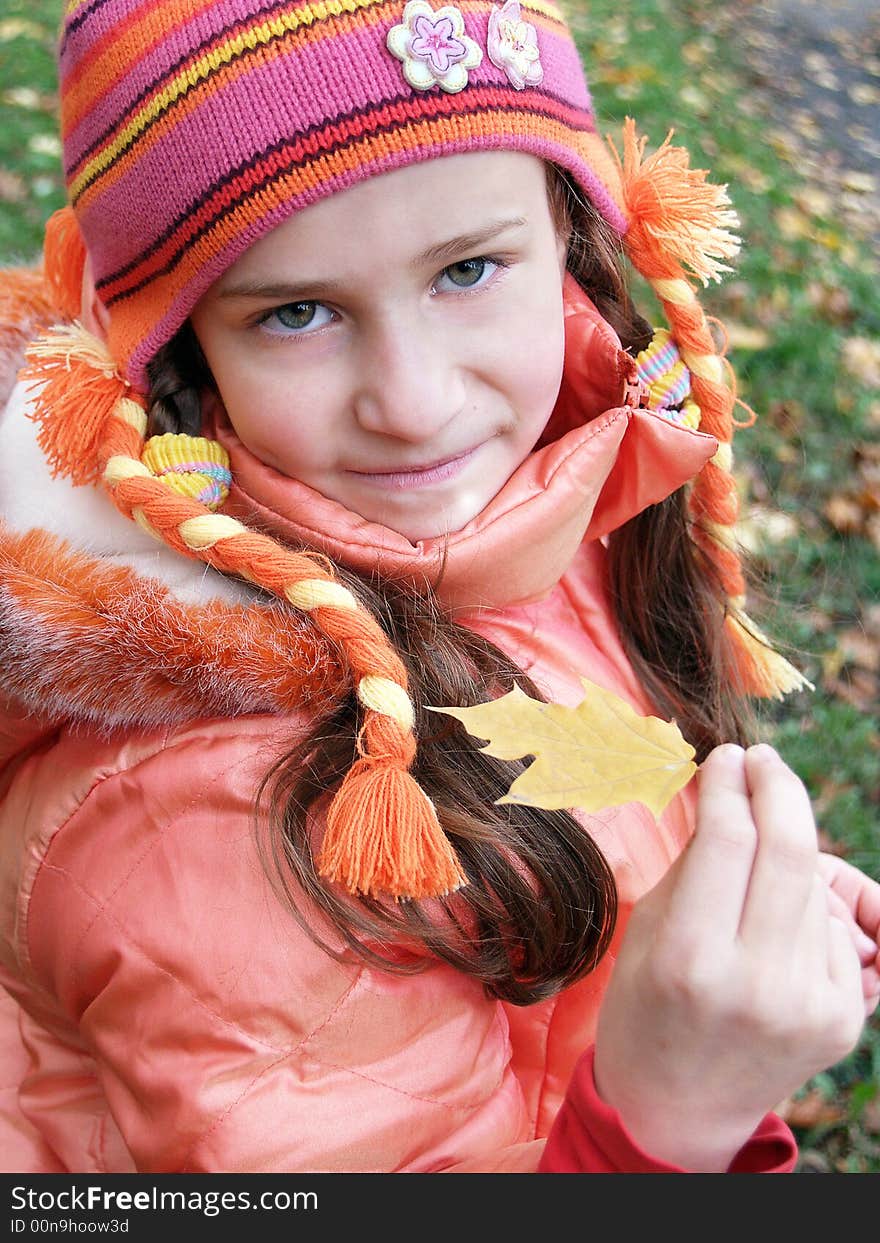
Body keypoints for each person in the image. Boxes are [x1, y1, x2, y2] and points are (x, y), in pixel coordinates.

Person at [0, 0, 877, 1175]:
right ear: (180, 355)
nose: (412, 403)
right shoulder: (209, 835)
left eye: (466, 268)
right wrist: (665, 1114)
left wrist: (693, 893)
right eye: (296, 312)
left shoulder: (533, 489)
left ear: (568, 239)